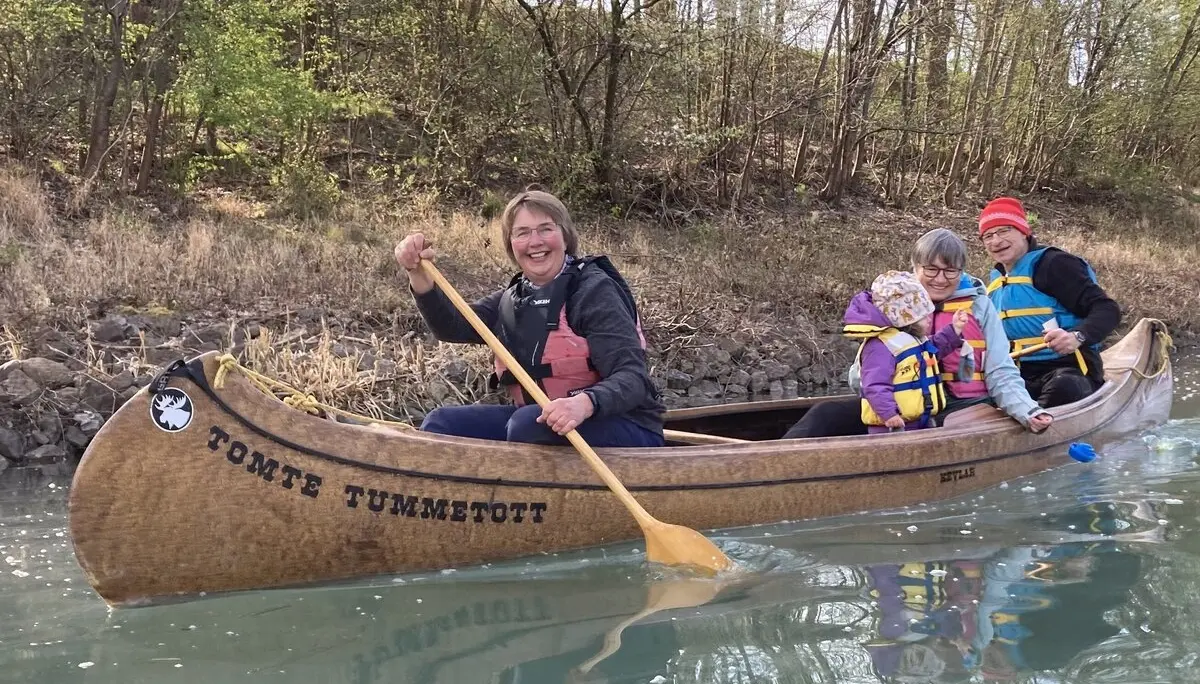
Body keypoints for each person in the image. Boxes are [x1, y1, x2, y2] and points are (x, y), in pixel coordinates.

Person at [392, 188, 665, 447]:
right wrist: (418, 274)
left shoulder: (593, 291)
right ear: (512, 245)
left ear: (565, 237)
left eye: (546, 229)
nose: (535, 242)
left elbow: (632, 377)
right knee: (440, 422)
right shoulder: (513, 299)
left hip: (621, 423)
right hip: (541, 423)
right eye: (522, 233)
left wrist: (583, 404)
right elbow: (450, 326)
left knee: (526, 424)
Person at [782, 230, 1054, 439]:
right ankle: (769, 466)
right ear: (915, 267)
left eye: (950, 271)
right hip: (904, 404)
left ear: (961, 271)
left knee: (944, 425)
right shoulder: (895, 303)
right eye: (931, 269)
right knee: (826, 414)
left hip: (964, 406)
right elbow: (862, 378)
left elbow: (1001, 371)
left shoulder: (979, 306)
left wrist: (1026, 410)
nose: (940, 279)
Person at [979, 197, 1121, 407]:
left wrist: (1077, 336)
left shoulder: (1054, 264)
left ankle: (1037, 419)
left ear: (1024, 232)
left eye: (1004, 230)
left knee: (1063, 387)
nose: (996, 241)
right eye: (988, 236)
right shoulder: (995, 280)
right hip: (1017, 372)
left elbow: (1108, 309)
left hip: (1068, 368)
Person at [846, 270, 964, 433]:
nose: (929, 319)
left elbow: (935, 348)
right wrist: (889, 414)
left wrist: (955, 330)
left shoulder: (914, 340)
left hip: (920, 421)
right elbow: (875, 385)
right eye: (923, 316)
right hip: (891, 426)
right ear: (906, 318)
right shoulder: (881, 347)